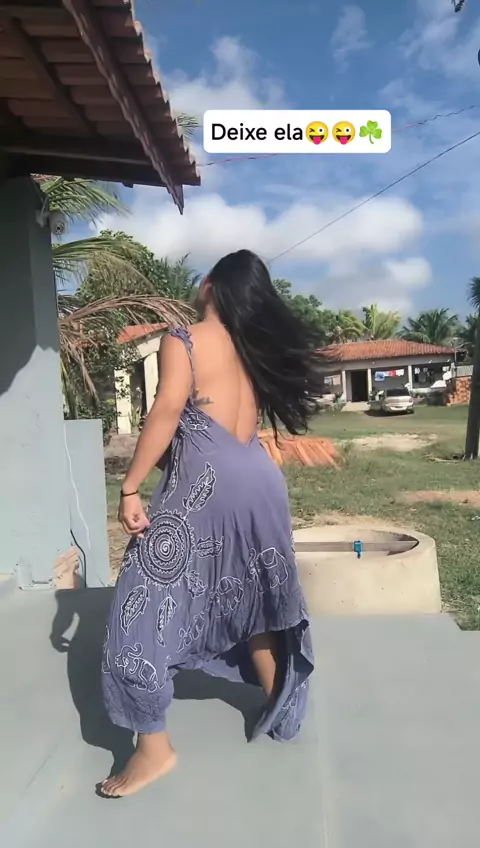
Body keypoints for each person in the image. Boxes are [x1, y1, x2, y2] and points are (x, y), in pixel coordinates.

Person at [100, 249, 324, 797]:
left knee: (139, 606)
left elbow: (167, 410)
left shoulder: (184, 339)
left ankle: (153, 749)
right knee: (257, 598)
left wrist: (130, 487)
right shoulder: (253, 346)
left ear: (209, 286)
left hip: (209, 485)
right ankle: (282, 713)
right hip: (260, 479)